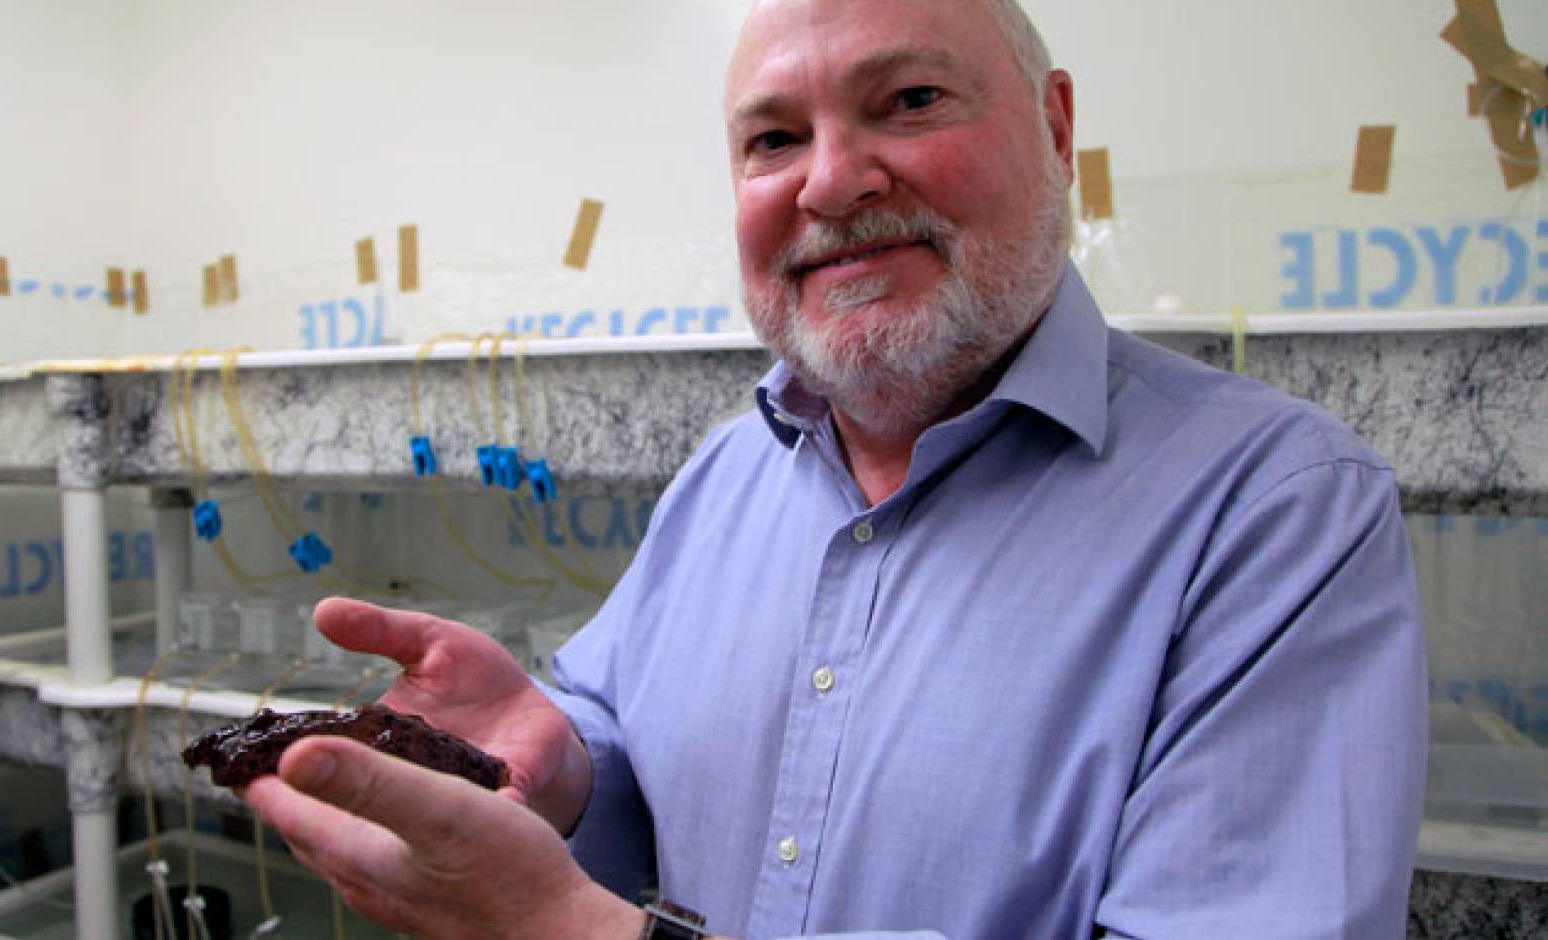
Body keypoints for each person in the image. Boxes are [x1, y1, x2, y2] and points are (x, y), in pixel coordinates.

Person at [242, 0, 1429, 936]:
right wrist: (560, 768)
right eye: (773, 139)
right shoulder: (726, 474)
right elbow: (637, 757)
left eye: (908, 101)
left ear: (1056, 129)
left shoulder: (1277, 515)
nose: (828, 181)